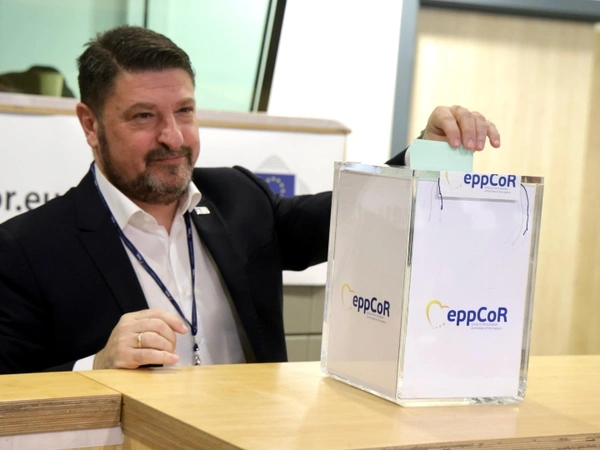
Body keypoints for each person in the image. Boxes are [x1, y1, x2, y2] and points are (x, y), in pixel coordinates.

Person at [0, 26, 500, 374]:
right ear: (90, 124)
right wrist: (95, 367)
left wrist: (422, 155)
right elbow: (10, 392)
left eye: (185, 111)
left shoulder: (237, 197)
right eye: (144, 117)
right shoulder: (27, 248)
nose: (173, 137)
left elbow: (348, 215)